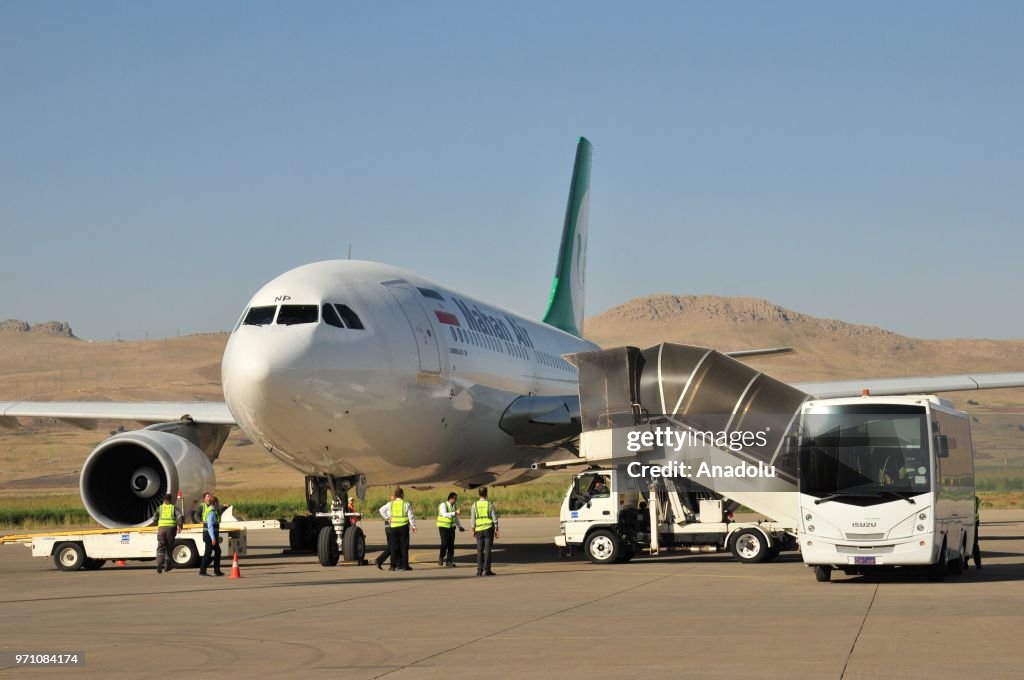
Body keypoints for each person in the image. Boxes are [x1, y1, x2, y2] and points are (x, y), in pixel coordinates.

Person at [152, 493, 183, 574]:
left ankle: (159, 562)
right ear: (171, 499)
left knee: (161, 546)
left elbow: (154, 518)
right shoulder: (173, 508)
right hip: (171, 529)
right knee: (169, 547)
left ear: (164, 500)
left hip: (161, 529)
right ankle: (167, 566)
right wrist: (180, 525)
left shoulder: (159, 508)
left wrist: (157, 523)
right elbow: (179, 516)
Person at [386, 488, 416, 571]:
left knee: (394, 547)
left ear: (395, 495)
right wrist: (413, 526)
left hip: (393, 527)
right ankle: (405, 566)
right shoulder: (406, 504)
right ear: (402, 495)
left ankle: (392, 566)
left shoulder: (390, 504)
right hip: (403, 527)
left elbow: (381, 510)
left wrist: (388, 518)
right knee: (404, 547)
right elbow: (411, 516)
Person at [471, 487, 499, 576]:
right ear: (486, 494)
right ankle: (487, 570)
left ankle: (479, 570)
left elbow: (473, 518)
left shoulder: (474, 505)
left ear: (479, 494)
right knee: (487, 550)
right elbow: (494, 517)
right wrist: (496, 528)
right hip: (488, 528)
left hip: (479, 529)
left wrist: (473, 529)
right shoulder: (490, 504)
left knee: (479, 550)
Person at [436, 492, 465, 567]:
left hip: (452, 528)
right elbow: (444, 514)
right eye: (455, 499)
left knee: (451, 545)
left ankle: (449, 561)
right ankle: (441, 557)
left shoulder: (453, 506)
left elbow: (455, 518)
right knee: (444, 543)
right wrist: (455, 512)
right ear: (450, 498)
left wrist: (460, 526)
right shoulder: (443, 505)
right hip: (443, 527)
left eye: (456, 499)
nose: (456, 500)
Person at [199, 496, 225, 577]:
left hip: (210, 535)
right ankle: (202, 571)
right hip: (209, 535)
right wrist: (213, 538)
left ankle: (217, 571)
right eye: (218, 502)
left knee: (217, 551)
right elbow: (210, 526)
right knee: (208, 553)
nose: (219, 504)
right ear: (215, 503)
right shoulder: (211, 512)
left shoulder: (213, 510)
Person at [375, 493, 395, 570]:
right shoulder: (390, 504)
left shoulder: (390, 504)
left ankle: (394, 563)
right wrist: (388, 518)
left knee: (391, 546)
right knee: (392, 546)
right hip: (391, 526)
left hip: (388, 526)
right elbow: (381, 510)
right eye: (394, 497)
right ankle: (379, 560)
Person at [972, 494, 983, 569]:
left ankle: (965, 563)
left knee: (965, 543)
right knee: (974, 544)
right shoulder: (976, 498)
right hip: (974, 523)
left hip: (970, 523)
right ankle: (978, 564)